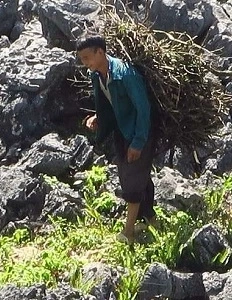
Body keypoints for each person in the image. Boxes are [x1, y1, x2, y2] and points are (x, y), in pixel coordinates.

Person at [76, 34, 158, 243]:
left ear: (101, 52)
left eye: (87, 58)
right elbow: (108, 102)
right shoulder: (97, 75)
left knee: (132, 179)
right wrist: (98, 118)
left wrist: (138, 142)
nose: (85, 63)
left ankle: (128, 231)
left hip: (140, 129)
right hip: (122, 129)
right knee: (135, 174)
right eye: (82, 59)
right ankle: (151, 220)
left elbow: (143, 108)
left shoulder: (125, 73)